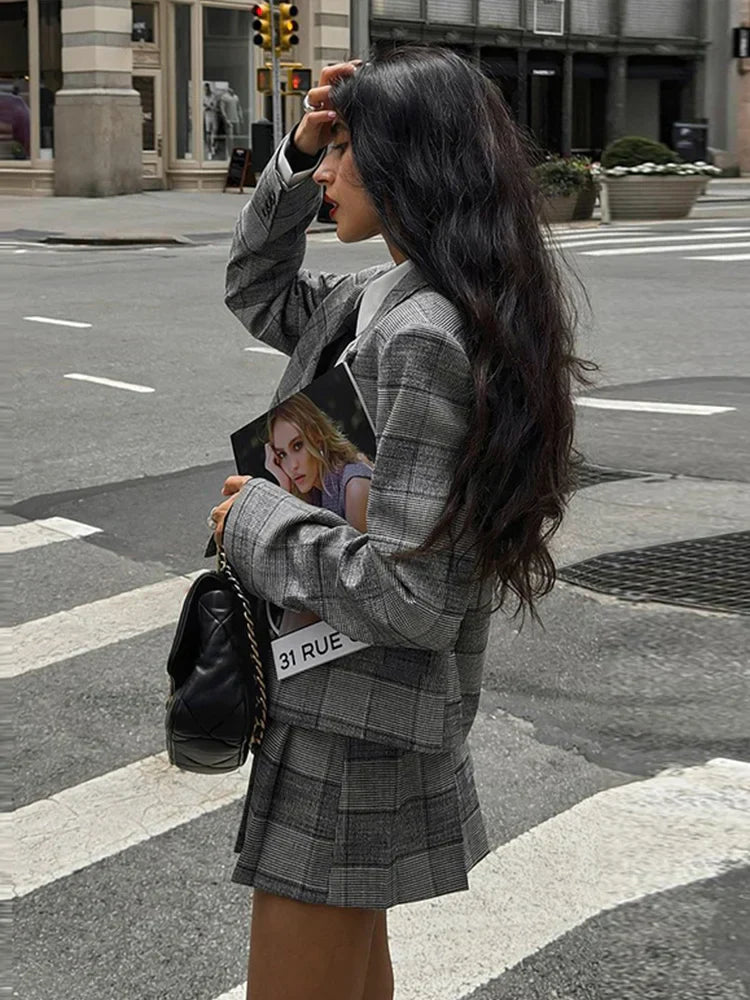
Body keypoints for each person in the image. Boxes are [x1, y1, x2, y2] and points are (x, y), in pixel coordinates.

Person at [209, 45, 590, 1000]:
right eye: (327, 152)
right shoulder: (375, 300)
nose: (328, 171)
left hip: (358, 716)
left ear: (412, 164)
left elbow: (420, 589)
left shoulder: (420, 335)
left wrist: (252, 519)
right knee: (349, 978)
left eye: (346, 152)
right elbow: (257, 289)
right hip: (341, 694)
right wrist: (294, 156)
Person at [264, 392, 373, 633]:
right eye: (281, 455)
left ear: (317, 438)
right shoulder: (313, 490)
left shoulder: (354, 486)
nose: (292, 465)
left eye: (297, 446)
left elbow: (361, 585)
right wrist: (282, 483)